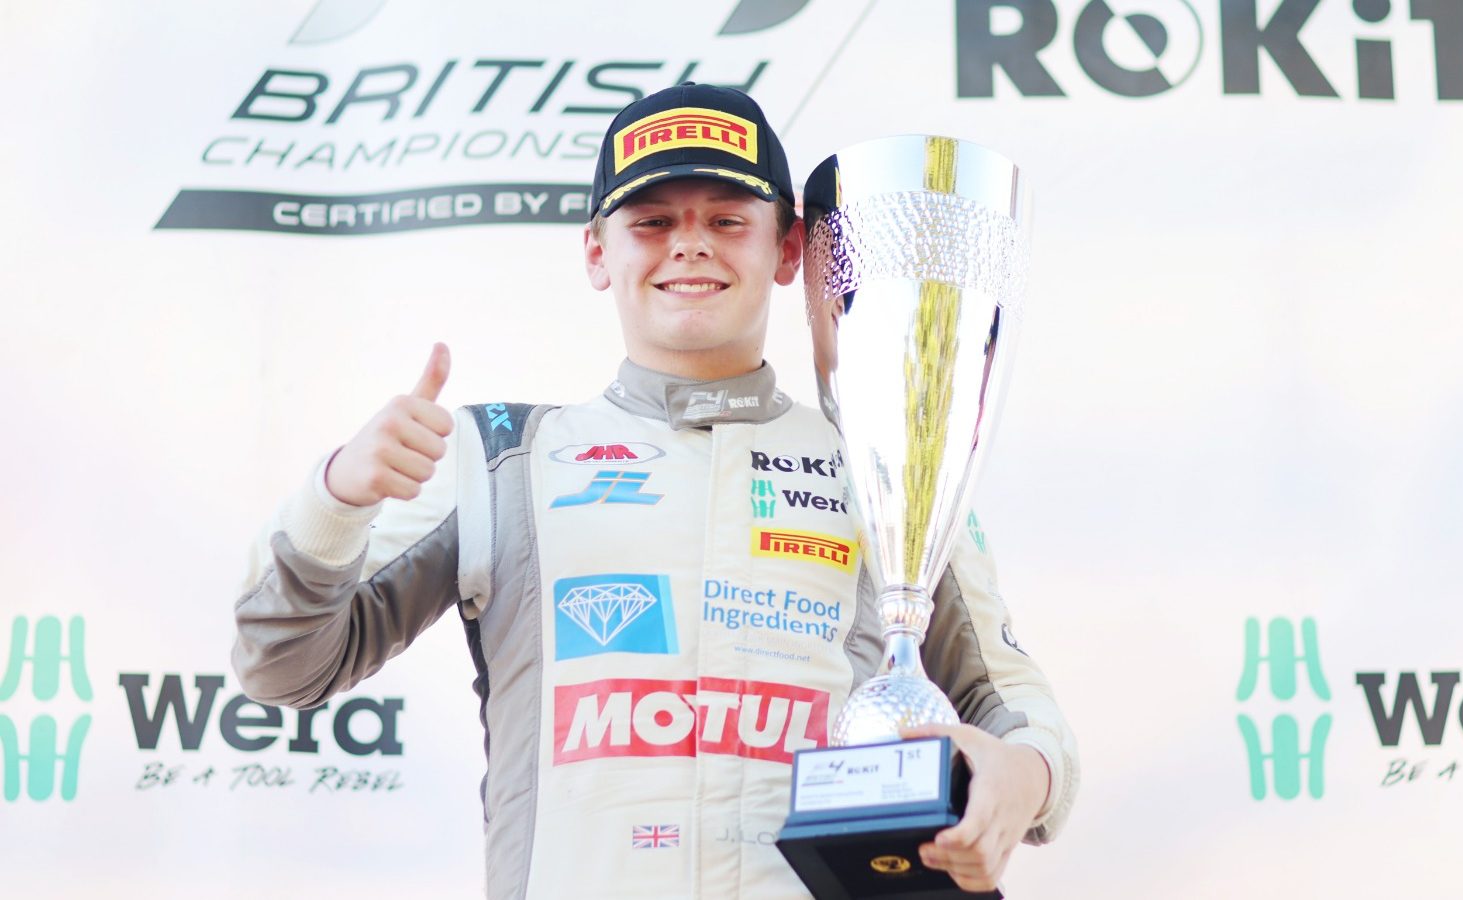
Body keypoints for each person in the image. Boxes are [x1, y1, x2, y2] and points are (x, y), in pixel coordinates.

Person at [234, 82, 1078, 899]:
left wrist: (1024, 774)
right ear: (599, 252)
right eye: (652, 221)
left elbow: (1013, 707)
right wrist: (338, 500)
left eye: (727, 220)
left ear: (788, 250)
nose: (690, 244)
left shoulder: (888, 462)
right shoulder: (500, 458)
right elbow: (282, 668)